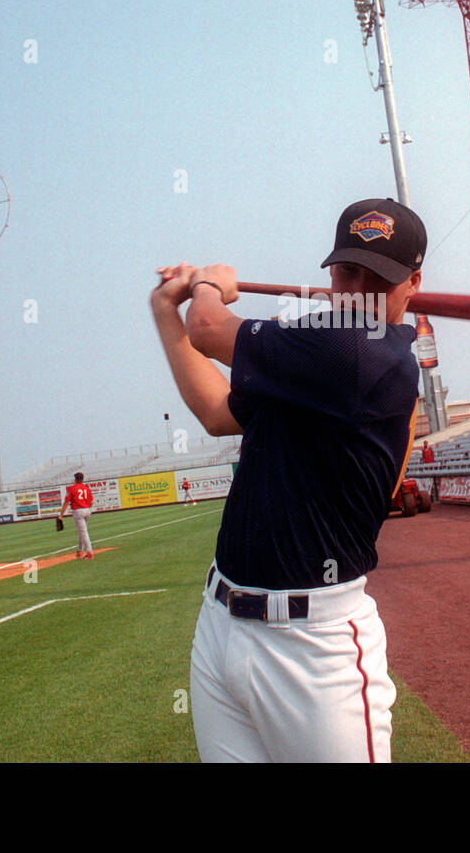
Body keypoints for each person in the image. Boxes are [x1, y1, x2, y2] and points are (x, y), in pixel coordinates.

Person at [151, 197, 426, 763]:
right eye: (348, 271)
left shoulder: (364, 356)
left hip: (316, 651)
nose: (357, 290)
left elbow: (208, 327)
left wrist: (209, 284)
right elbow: (217, 413)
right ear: (330, 272)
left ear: (411, 284)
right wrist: (163, 313)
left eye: (378, 279)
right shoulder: (310, 350)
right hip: (221, 622)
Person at [59, 472, 95, 559]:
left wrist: (61, 515)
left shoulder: (72, 488)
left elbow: (66, 502)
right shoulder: (86, 488)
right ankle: (79, 551)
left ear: (75, 479)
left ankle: (89, 553)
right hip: (87, 510)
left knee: (83, 532)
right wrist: (88, 509)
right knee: (82, 532)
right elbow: (92, 501)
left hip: (78, 511)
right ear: (82, 479)